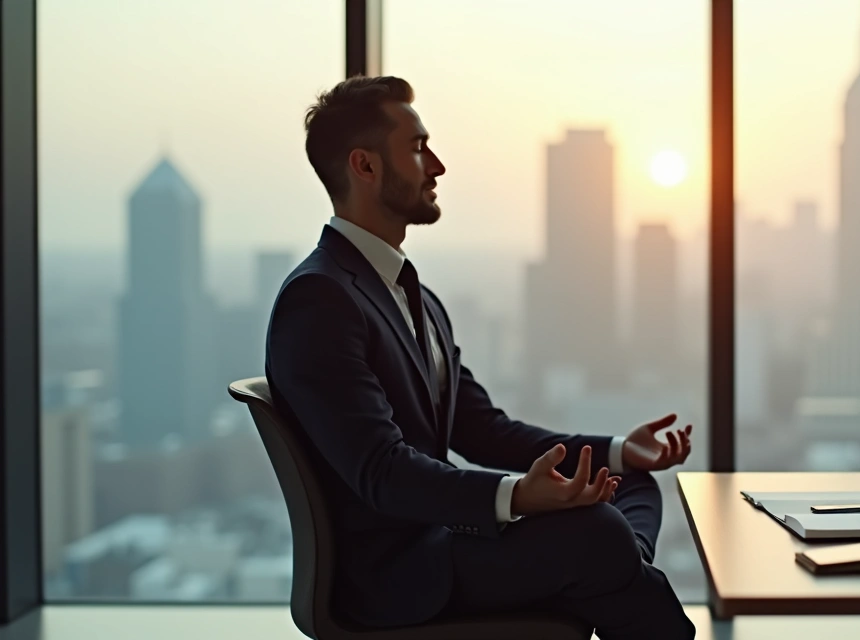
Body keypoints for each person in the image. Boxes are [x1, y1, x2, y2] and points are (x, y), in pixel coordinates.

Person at [265, 75, 696, 640]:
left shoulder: (417, 298)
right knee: (596, 533)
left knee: (631, 482)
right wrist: (517, 496)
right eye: (418, 148)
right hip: (396, 575)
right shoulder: (320, 298)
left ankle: (610, 574)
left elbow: (485, 430)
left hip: (445, 542)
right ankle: (612, 575)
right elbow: (382, 470)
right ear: (365, 167)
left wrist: (616, 450)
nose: (438, 165)